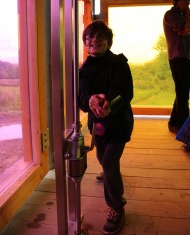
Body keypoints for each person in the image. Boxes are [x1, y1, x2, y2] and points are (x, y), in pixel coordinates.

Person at [79, 20, 134, 234]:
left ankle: (116, 207)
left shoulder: (119, 63)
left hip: (119, 122)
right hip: (98, 124)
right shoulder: (84, 68)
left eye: (100, 37)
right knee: (104, 160)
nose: (95, 40)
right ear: (85, 42)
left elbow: (125, 92)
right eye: (90, 37)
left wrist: (108, 104)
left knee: (109, 162)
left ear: (108, 42)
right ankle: (110, 174)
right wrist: (91, 100)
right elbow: (81, 95)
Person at [163, 0, 190, 152]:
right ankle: (186, 135)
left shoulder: (184, 16)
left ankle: (173, 123)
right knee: (183, 95)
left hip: (189, 59)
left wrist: (189, 31)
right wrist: (187, 12)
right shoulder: (171, 15)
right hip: (178, 59)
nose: (187, 2)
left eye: (189, 0)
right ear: (176, 0)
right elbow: (187, 28)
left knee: (182, 93)